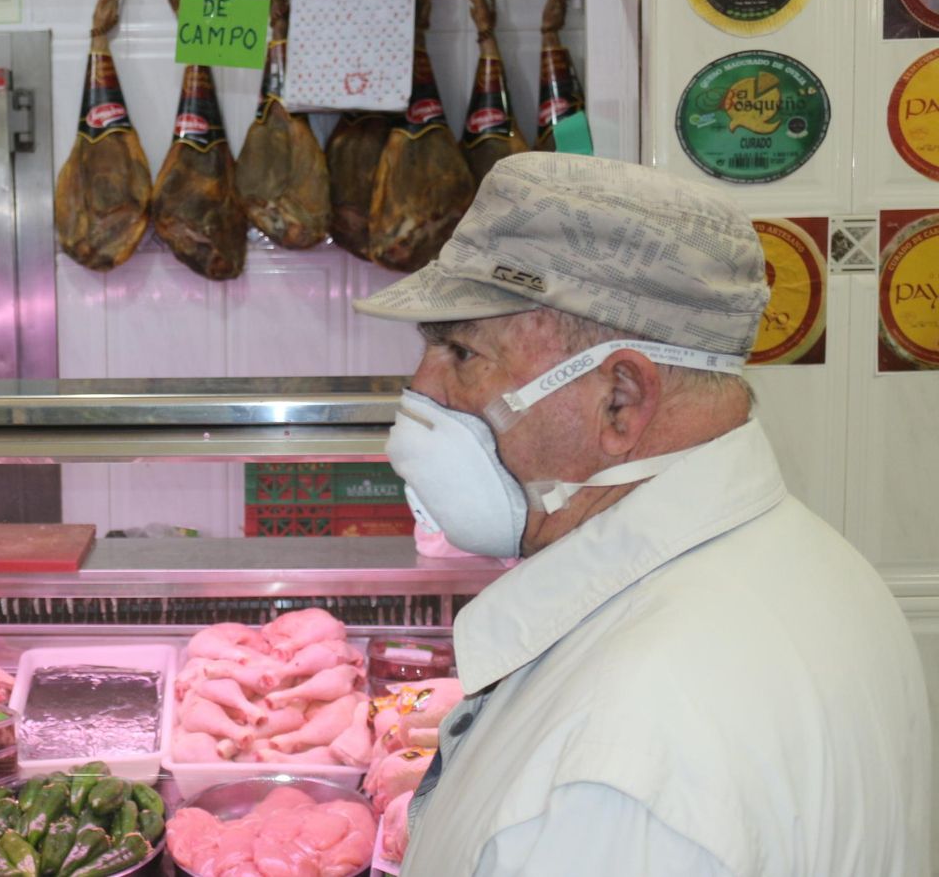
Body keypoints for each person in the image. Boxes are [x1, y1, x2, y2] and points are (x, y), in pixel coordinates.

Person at [356, 152, 930, 875]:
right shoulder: (815, 566)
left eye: (461, 351)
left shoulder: (617, 773)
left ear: (621, 399)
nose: (421, 389)